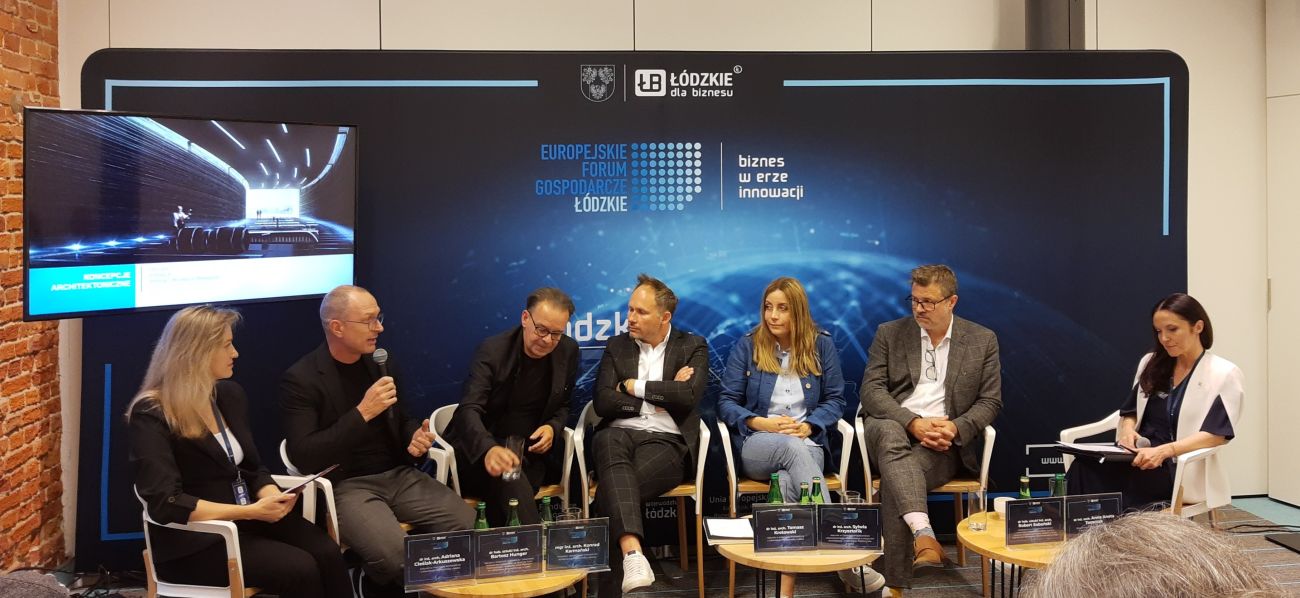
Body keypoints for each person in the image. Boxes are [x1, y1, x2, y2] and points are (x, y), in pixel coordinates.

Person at [127, 306, 349, 598]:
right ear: (197, 352)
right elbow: (166, 501)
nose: (235, 353)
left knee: (327, 551)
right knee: (300, 568)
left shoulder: (229, 396)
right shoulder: (152, 413)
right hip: (196, 541)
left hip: (248, 520)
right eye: (227, 345)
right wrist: (249, 511)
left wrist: (271, 495)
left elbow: (253, 468)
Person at [280, 285, 474, 596]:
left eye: (379, 318)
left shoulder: (381, 362)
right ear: (337, 327)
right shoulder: (302, 379)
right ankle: (370, 580)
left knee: (467, 526)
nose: (379, 328)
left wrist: (414, 436)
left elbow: (403, 417)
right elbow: (304, 455)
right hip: (347, 484)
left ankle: (408, 586)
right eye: (369, 320)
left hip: (399, 474)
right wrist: (362, 413)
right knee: (396, 556)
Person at [717, 277, 885, 596]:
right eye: (768, 307)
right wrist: (759, 423)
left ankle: (785, 591)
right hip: (758, 446)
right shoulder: (748, 345)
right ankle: (843, 552)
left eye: (782, 308)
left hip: (809, 445)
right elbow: (726, 401)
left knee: (787, 482)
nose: (773, 315)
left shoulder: (821, 345)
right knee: (790, 449)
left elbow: (835, 399)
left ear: (798, 312)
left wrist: (809, 426)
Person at [859, 264, 1002, 591]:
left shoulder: (982, 340)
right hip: (890, 426)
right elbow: (871, 391)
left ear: (952, 302)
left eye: (928, 302)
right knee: (892, 433)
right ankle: (924, 538)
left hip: (941, 443)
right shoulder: (890, 333)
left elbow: (990, 401)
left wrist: (955, 428)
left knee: (897, 481)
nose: (919, 308)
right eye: (914, 300)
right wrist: (912, 422)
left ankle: (895, 583)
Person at [1066, 293, 1243, 511]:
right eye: (1159, 331)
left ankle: (1116, 531)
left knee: (1123, 482)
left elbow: (1216, 434)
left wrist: (1165, 451)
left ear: (1197, 327)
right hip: (1139, 456)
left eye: (1172, 329)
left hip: (1177, 465)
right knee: (1083, 467)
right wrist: (1127, 431)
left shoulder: (1224, 373)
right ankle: (1075, 528)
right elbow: (1130, 411)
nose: (1164, 338)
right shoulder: (1151, 363)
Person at [592, 274, 708, 596]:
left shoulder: (692, 346)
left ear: (664, 317)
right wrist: (660, 395)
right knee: (607, 439)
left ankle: (622, 572)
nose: (630, 317)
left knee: (609, 496)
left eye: (640, 312)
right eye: (630, 309)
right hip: (618, 434)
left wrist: (631, 386)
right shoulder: (617, 346)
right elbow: (603, 401)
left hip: (666, 442)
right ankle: (635, 557)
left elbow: (687, 396)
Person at [442, 287, 579, 526]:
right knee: (510, 476)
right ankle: (533, 544)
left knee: (522, 476)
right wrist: (489, 449)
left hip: (529, 454)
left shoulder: (567, 350)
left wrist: (552, 427)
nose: (548, 340)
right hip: (479, 452)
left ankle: (514, 544)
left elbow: (563, 405)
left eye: (556, 333)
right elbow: (468, 409)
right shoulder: (493, 351)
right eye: (541, 330)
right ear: (525, 318)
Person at [1024, 512, 1284, 597]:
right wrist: (1129, 435)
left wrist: (1165, 450)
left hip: (1170, 458)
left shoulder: (1216, 395)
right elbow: (1128, 417)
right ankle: (1106, 529)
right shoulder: (1143, 393)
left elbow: (1214, 435)